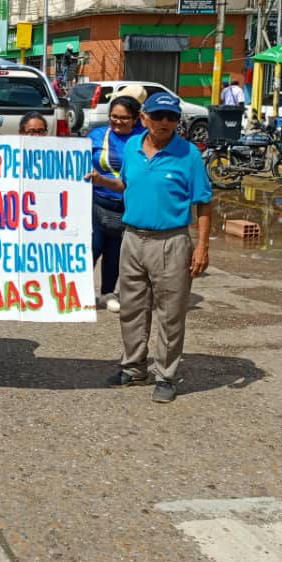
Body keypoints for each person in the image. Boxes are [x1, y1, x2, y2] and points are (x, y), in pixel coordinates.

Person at [87, 92, 212, 404]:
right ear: (145, 118)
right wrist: (101, 180)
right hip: (133, 237)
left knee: (170, 313)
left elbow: (205, 202)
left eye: (171, 117)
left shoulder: (189, 154)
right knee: (131, 308)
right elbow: (126, 185)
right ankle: (133, 367)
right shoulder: (132, 146)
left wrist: (202, 248)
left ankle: (166, 376)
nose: (164, 123)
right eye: (158, 116)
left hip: (170, 240)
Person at [86, 95, 143, 314]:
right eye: (114, 117)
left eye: (124, 118)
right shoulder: (96, 136)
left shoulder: (143, 140)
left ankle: (107, 293)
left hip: (127, 208)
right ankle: (79, 292)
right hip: (96, 203)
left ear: (136, 118)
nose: (118, 122)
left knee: (115, 253)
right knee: (92, 249)